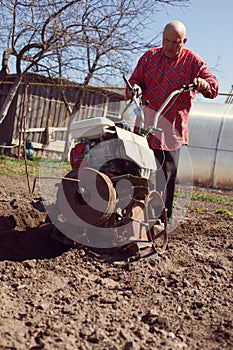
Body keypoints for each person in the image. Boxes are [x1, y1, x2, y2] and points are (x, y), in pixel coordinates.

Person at [126, 20, 219, 222]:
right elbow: (134, 81)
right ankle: (127, 214)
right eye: (166, 40)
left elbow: (213, 87)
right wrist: (135, 88)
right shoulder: (149, 57)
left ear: (183, 41)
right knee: (133, 171)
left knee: (164, 179)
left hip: (171, 130)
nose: (169, 45)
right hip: (145, 125)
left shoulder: (192, 61)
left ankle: (159, 223)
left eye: (175, 42)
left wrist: (203, 84)